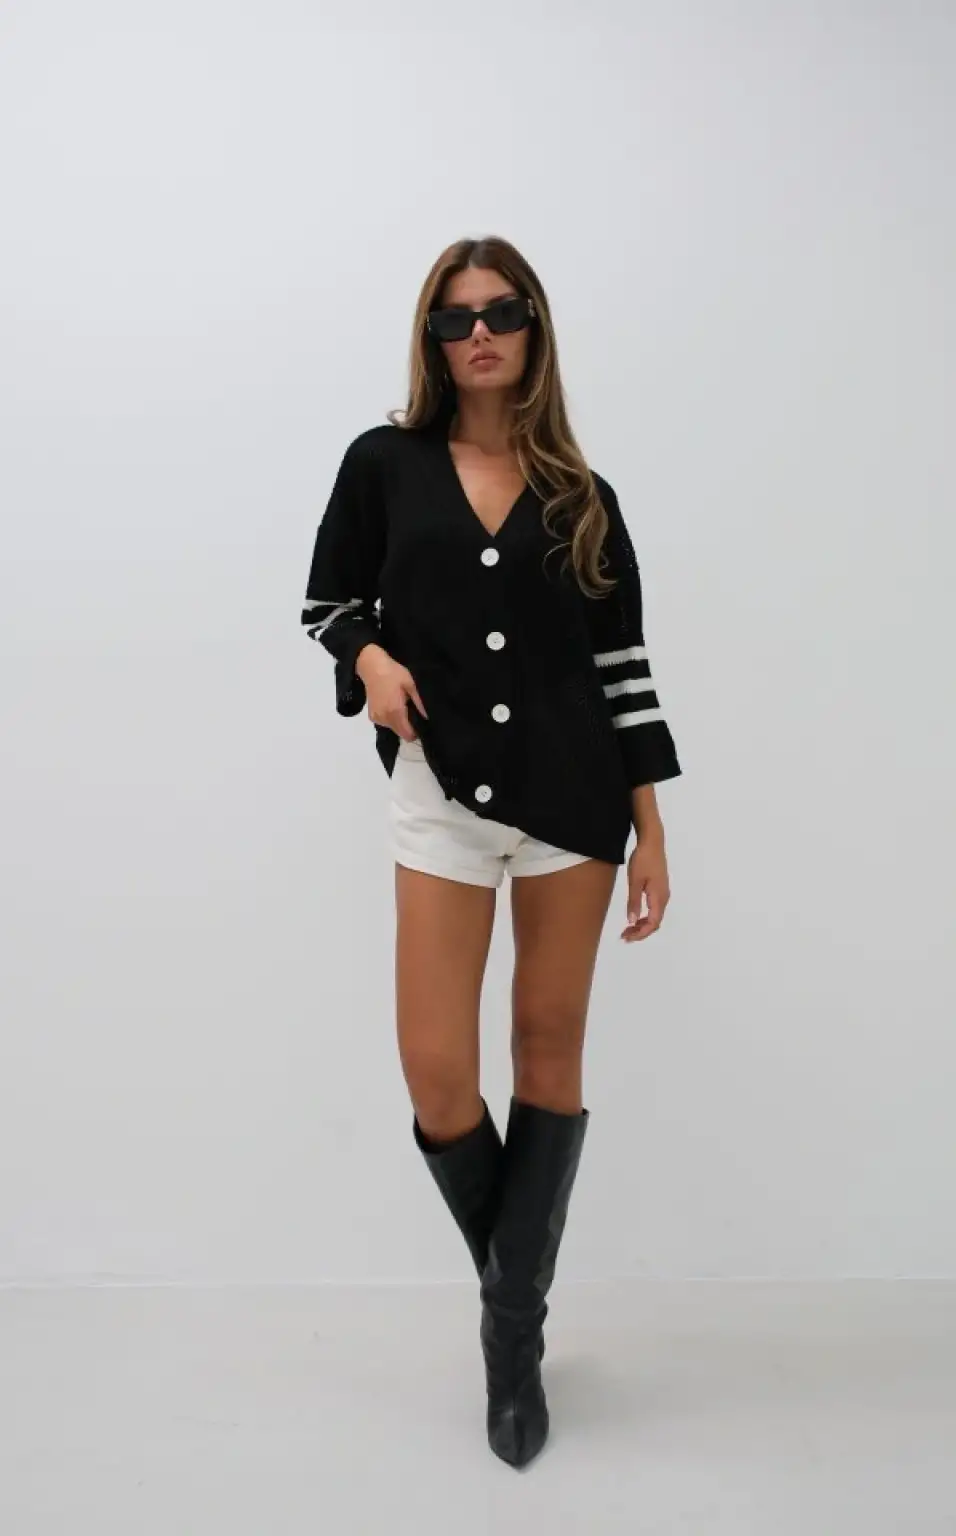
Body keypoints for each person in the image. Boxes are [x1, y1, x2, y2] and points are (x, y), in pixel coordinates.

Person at [300, 234, 683, 1469]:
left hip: (574, 797)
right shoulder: (383, 465)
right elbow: (325, 600)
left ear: (533, 330)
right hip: (441, 794)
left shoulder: (582, 494)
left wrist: (651, 827)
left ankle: (508, 1346)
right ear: (431, 338)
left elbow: (622, 668)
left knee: (547, 1047)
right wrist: (369, 656)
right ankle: (516, 1295)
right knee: (435, 1070)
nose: (479, 333)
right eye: (455, 317)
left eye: (502, 312)